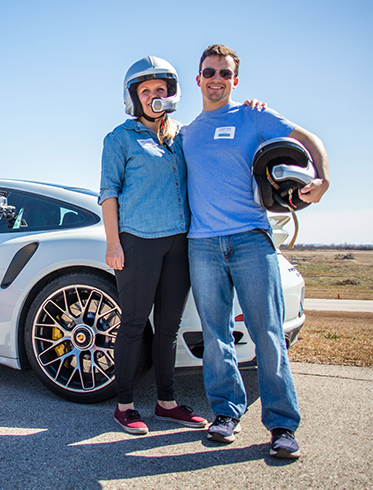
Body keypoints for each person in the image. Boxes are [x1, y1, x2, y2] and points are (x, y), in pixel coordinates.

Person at [181, 44, 330, 458]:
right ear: (198, 79)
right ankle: (225, 413)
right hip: (203, 243)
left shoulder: (254, 116)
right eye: (209, 72)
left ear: (235, 80)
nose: (216, 79)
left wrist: (323, 180)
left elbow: (307, 138)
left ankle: (282, 425)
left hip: (250, 238)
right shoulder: (187, 132)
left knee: (268, 335)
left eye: (224, 74)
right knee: (216, 335)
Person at [99, 56, 208, 434]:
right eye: (145, 91)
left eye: (160, 89)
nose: (153, 96)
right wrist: (113, 243)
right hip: (138, 241)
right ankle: (125, 405)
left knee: (169, 327)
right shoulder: (119, 138)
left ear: (171, 93)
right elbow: (109, 193)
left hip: (179, 242)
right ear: (134, 97)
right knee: (131, 325)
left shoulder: (183, 135)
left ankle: (167, 403)